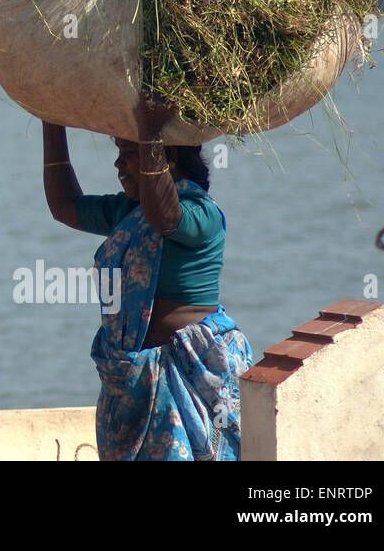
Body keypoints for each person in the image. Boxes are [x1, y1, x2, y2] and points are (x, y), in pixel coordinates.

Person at [40, 92, 252, 461]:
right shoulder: (128, 210)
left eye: (129, 153)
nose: (119, 164)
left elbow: (166, 218)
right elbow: (63, 206)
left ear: (165, 158)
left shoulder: (201, 213)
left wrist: (150, 132)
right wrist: (51, 121)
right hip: (133, 373)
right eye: (120, 152)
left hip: (188, 369)